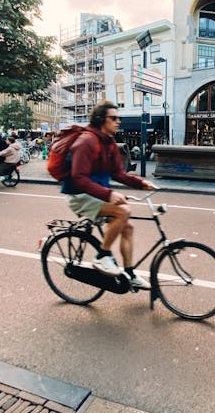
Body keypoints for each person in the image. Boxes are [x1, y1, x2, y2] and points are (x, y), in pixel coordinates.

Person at [63, 101, 155, 287]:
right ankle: (102, 255)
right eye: (113, 118)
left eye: (119, 118)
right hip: (79, 195)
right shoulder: (86, 141)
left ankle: (129, 275)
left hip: (97, 194)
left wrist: (141, 182)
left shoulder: (109, 142)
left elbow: (117, 173)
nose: (118, 121)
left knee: (127, 228)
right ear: (100, 120)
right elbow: (78, 177)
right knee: (123, 211)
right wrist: (109, 194)